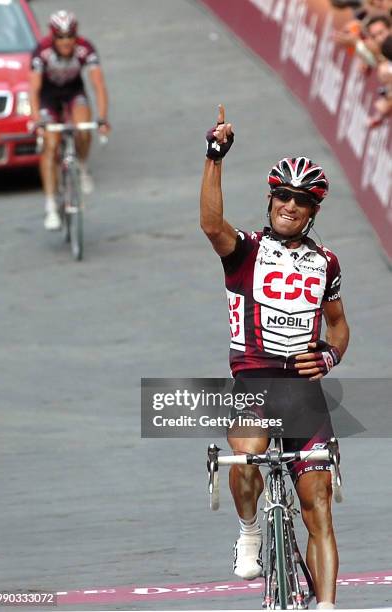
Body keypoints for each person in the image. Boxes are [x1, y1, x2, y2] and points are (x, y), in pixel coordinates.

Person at [200, 106, 350, 609]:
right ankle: (249, 531)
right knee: (246, 457)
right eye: (283, 195)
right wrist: (215, 157)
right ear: (270, 199)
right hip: (254, 381)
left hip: (304, 393)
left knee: (320, 505)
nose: (290, 204)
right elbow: (209, 223)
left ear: (313, 211)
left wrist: (330, 356)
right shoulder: (245, 249)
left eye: (302, 200)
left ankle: (326, 606)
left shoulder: (325, 262)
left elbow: (338, 325)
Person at [29, 10, 110, 231]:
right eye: (61, 37)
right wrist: (37, 121)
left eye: (70, 37)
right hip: (48, 97)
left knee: (84, 128)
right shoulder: (41, 52)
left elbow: (98, 85)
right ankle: (50, 207)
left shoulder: (86, 49)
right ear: (53, 37)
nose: (66, 42)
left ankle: (82, 167)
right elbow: (34, 90)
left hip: (74, 92)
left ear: (76, 36)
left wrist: (102, 118)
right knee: (50, 143)